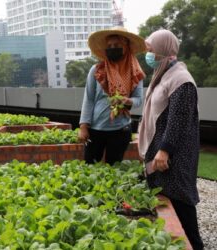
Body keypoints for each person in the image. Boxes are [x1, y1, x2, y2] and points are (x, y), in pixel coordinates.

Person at [138, 29, 204, 250]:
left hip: (175, 158)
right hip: (164, 157)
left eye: (150, 50)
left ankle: (195, 246)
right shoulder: (164, 74)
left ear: (162, 49)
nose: (148, 55)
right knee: (169, 205)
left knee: (182, 207)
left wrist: (164, 150)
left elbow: (179, 120)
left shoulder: (181, 80)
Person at [78, 27, 146, 165]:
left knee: (113, 168)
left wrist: (127, 101)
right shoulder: (97, 70)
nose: (112, 48)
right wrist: (84, 127)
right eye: (109, 46)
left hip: (120, 130)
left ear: (126, 47)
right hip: (95, 130)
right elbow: (89, 98)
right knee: (90, 166)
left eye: (117, 45)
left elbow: (139, 99)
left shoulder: (135, 72)